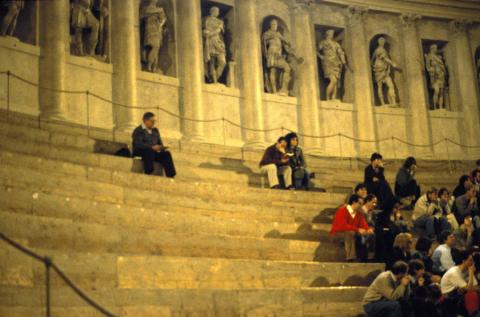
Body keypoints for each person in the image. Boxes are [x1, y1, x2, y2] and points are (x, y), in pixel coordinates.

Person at [132, 112, 176, 178]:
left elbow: (160, 143)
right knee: (149, 151)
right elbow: (138, 144)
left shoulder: (155, 131)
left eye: (154, 121)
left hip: (154, 152)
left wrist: (161, 147)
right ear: (145, 120)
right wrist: (152, 147)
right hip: (141, 152)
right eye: (152, 121)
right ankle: (148, 172)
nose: (153, 123)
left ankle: (171, 175)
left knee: (167, 154)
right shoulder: (138, 130)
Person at [330, 194, 373, 262]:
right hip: (338, 234)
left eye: (362, 204)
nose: (361, 206)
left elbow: (363, 225)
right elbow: (342, 225)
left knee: (369, 234)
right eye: (359, 203)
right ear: (353, 202)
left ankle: (369, 258)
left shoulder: (358, 213)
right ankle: (350, 258)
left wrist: (368, 230)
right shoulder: (342, 210)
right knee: (350, 232)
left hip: (352, 234)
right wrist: (357, 229)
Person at [440, 249, 479, 317]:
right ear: (464, 261)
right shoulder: (454, 272)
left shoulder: (467, 270)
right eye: (470, 260)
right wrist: (471, 273)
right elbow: (469, 289)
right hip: (449, 298)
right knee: (472, 295)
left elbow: (475, 285)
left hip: (459, 294)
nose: (473, 263)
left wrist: (471, 274)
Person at [140, 0, 167, 73]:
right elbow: (163, 19)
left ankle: (153, 67)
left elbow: (163, 20)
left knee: (156, 49)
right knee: (155, 47)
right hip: (152, 30)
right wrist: (160, 25)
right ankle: (149, 65)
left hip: (154, 30)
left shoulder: (147, 9)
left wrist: (160, 25)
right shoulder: (158, 10)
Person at [203, 6, 226, 83]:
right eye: (217, 11)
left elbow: (219, 30)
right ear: (212, 11)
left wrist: (210, 34)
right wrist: (205, 33)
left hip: (218, 42)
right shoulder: (206, 20)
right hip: (210, 41)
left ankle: (216, 75)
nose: (218, 13)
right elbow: (203, 30)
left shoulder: (220, 22)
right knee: (211, 61)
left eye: (218, 11)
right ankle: (214, 80)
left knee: (222, 62)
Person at [357, 194, 377, 262]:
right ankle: (368, 257)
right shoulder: (359, 210)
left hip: (368, 231)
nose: (374, 205)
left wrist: (371, 229)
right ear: (368, 201)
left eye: (375, 203)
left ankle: (371, 257)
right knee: (370, 236)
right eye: (373, 202)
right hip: (359, 230)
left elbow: (373, 224)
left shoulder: (372, 213)